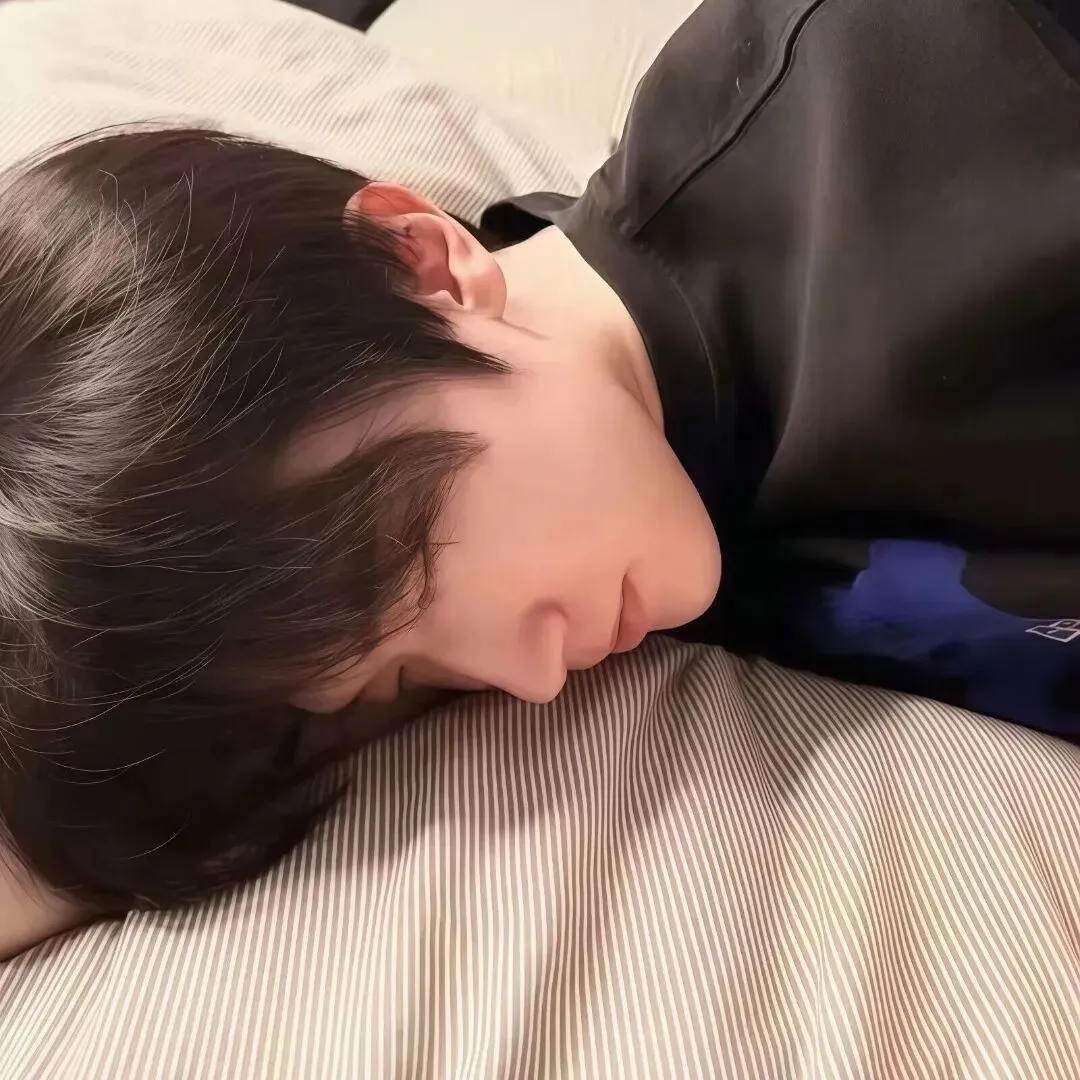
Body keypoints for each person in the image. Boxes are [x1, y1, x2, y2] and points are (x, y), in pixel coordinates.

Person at [0, 0, 1078, 917]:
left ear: (418, 259)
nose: (528, 678)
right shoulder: (587, 501)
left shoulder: (936, 72)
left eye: (403, 567)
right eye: (401, 679)